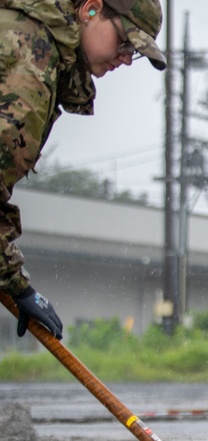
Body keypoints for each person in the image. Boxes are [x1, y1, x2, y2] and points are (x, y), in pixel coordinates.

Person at [0, 0, 165, 341]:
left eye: (131, 53)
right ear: (90, 9)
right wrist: (18, 285)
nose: (123, 59)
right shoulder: (32, 63)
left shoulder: (23, 30)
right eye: (122, 42)